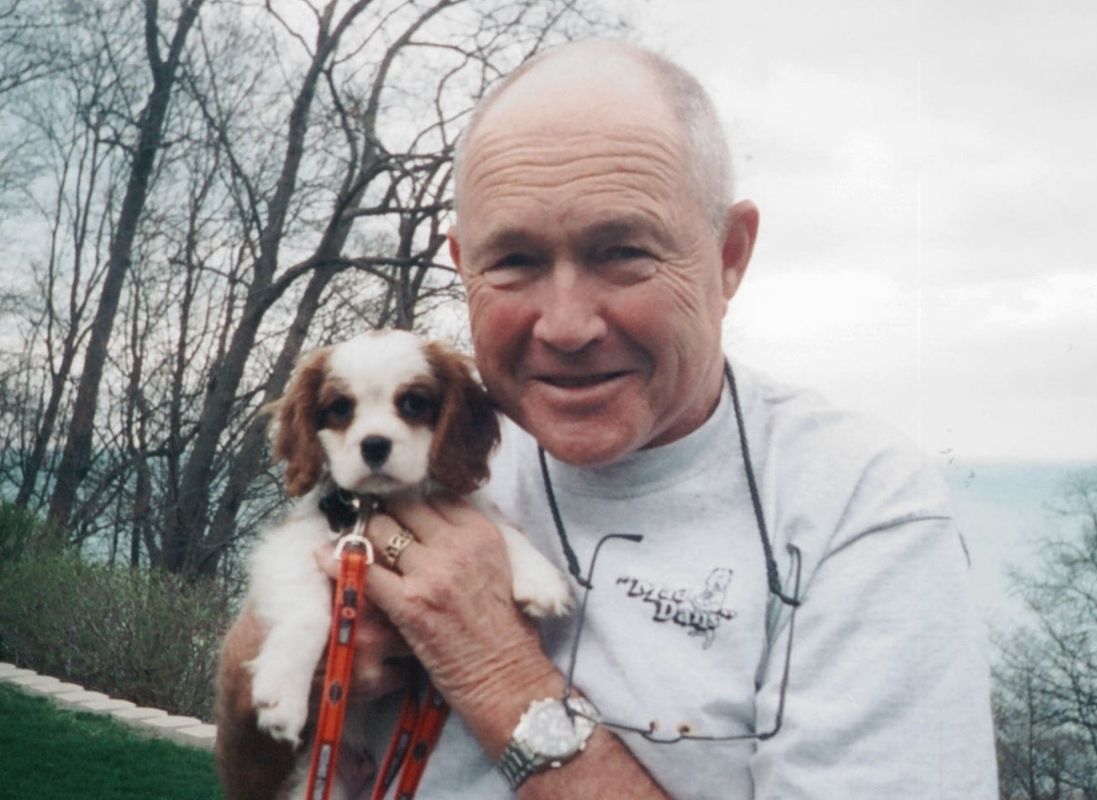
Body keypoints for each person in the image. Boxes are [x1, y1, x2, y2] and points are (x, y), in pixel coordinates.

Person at [216, 39, 998, 799]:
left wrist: (498, 677)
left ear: (729, 255)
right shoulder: (439, 438)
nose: (565, 326)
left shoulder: (858, 507)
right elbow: (248, 780)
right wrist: (254, 665)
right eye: (515, 260)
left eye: (623, 252)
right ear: (462, 265)